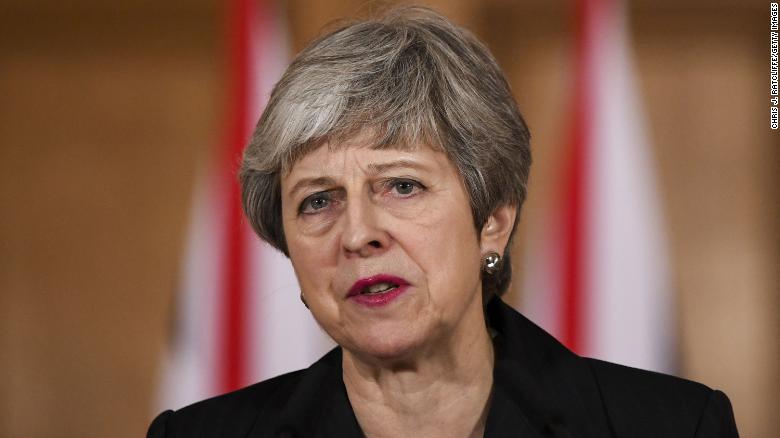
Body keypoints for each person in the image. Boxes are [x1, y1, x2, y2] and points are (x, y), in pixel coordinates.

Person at [147, 6, 739, 438]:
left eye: (402, 185)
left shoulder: (672, 426)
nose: (357, 234)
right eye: (317, 201)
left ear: (493, 224)